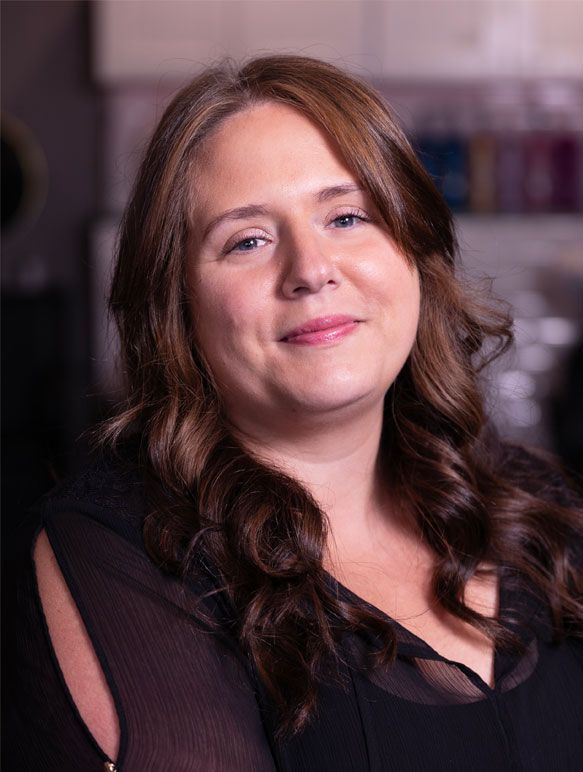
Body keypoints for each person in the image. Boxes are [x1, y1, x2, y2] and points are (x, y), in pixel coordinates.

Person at [8, 55, 583, 771]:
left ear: (413, 253)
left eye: (347, 216)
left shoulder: (540, 512)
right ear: (177, 308)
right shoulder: (126, 557)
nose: (310, 268)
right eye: (247, 240)